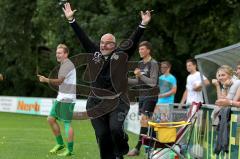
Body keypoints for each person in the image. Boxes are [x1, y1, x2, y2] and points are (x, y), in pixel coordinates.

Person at [62, 2, 152, 159]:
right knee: (103, 135)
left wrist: (143, 24)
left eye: (108, 43)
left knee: (116, 130)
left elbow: (134, 39)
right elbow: (82, 36)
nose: (104, 45)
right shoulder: (94, 53)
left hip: (118, 102)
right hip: (96, 103)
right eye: (102, 42)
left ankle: (121, 147)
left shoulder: (121, 54)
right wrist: (72, 20)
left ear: (114, 45)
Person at [38, 44, 76, 156]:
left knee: (67, 124)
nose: (57, 55)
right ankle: (60, 144)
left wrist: (46, 80)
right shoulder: (64, 64)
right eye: (56, 53)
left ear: (66, 54)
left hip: (67, 98)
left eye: (60, 53)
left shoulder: (67, 65)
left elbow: (60, 81)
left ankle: (69, 150)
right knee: (50, 119)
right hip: (61, 97)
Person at [127, 41, 159, 156]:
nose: (140, 51)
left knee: (144, 121)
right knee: (148, 122)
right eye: (139, 49)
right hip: (142, 96)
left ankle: (137, 148)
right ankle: (154, 146)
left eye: (143, 49)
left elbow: (153, 83)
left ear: (148, 50)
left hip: (151, 95)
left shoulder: (153, 64)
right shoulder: (140, 63)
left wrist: (141, 75)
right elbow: (139, 81)